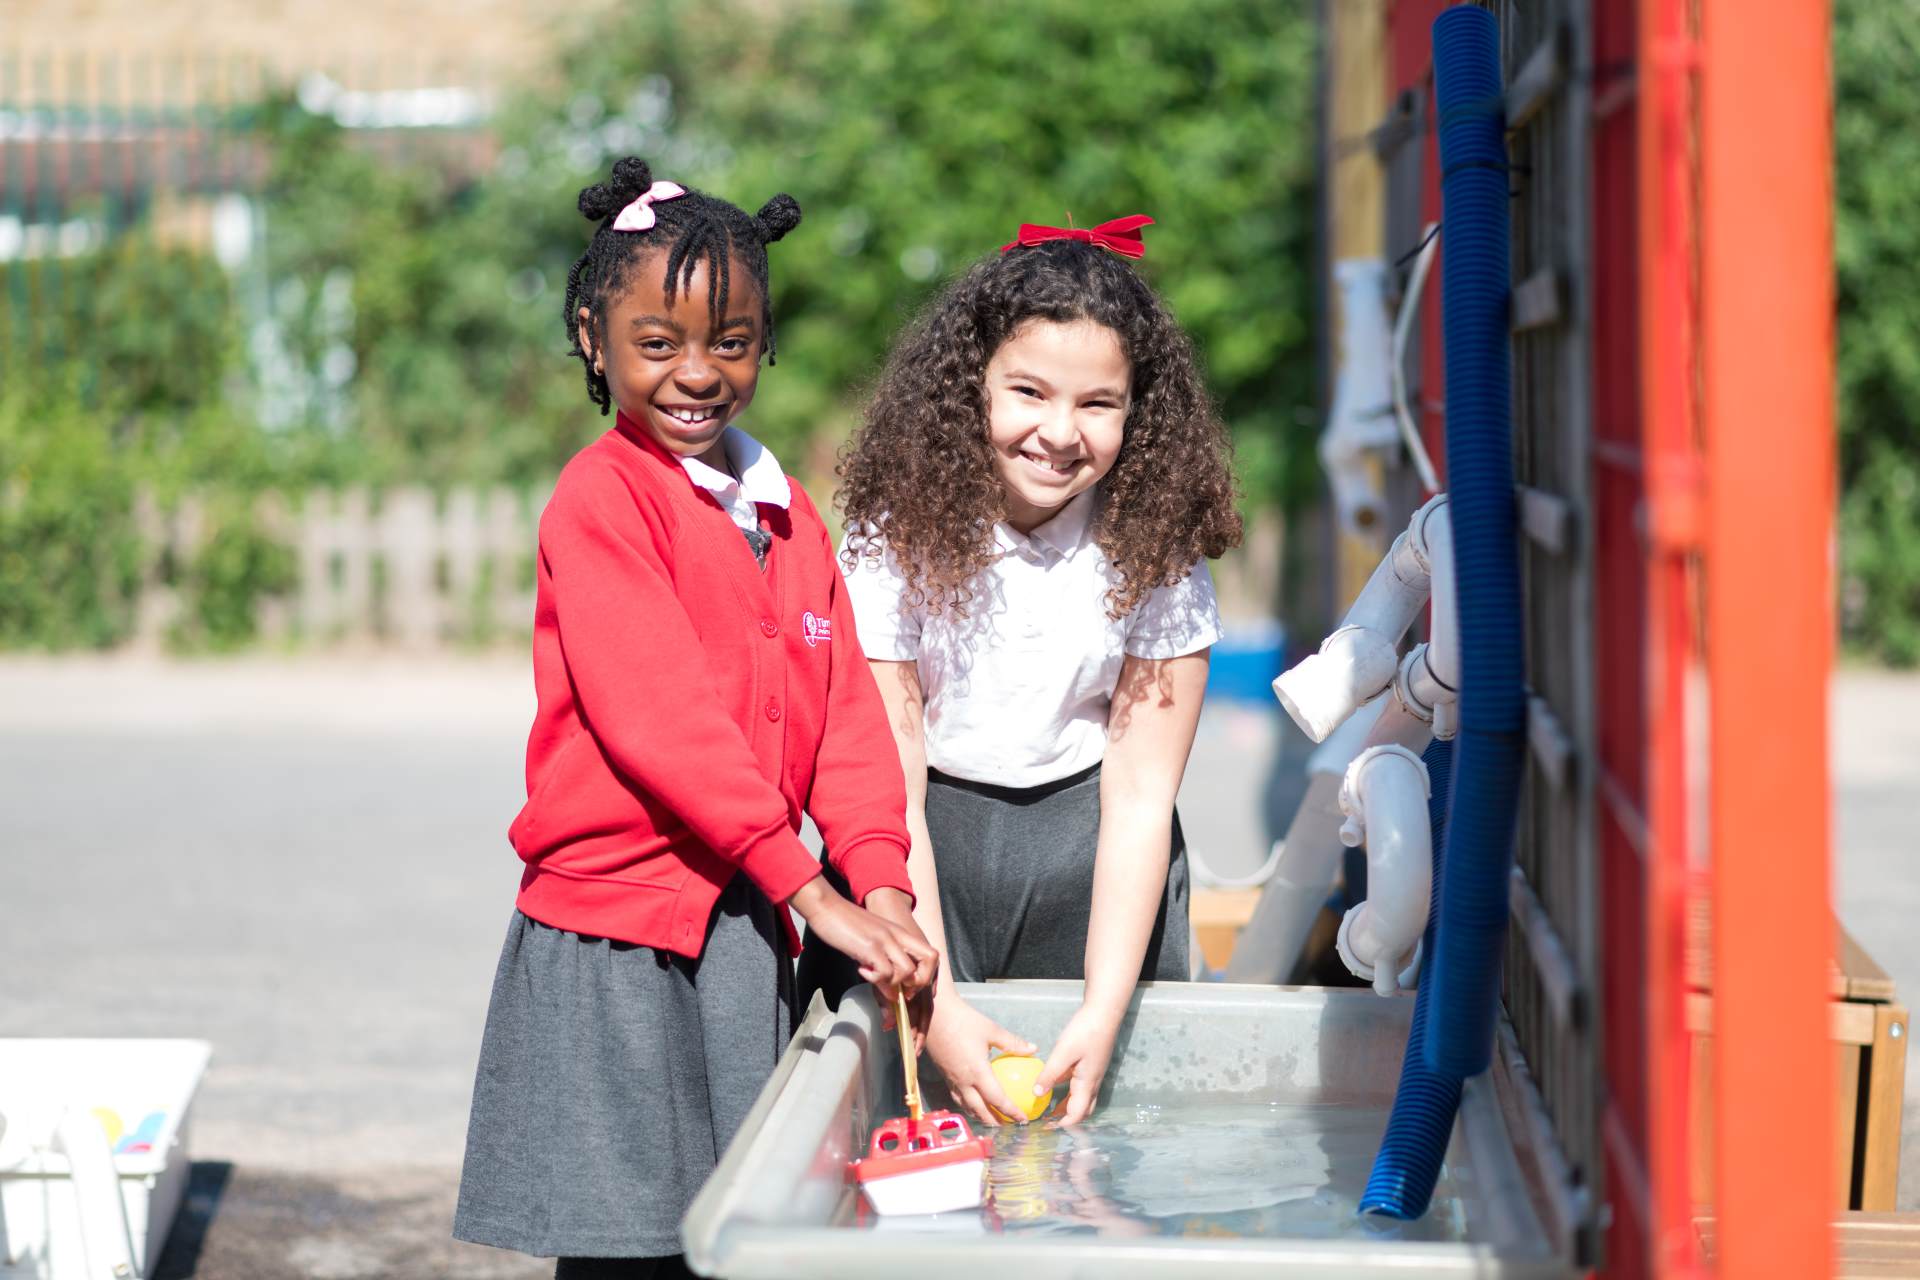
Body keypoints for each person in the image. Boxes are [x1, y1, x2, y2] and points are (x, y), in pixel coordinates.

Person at [454, 157, 937, 1280]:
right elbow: (662, 724)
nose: (697, 373)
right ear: (594, 338)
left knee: (735, 1237)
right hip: (619, 937)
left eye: (731, 340)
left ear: (764, 342)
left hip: (742, 928)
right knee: (627, 1252)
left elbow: (847, 722)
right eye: (657, 341)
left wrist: (880, 886)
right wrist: (812, 890)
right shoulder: (601, 500)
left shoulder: (789, 516)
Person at [799, 216, 1241, 1129]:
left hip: (1093, 866)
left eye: (1098, 403)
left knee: (1098, 1145)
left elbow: (1140, 796)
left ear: (1139, 411)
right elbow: (889, 789)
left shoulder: (1157, 550)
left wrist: (1103, 1009)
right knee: (889, 1135)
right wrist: (936, 1006)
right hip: (916, 861)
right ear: (973, 386)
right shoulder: (895, 538)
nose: (1060, 432)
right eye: (1029, 392)